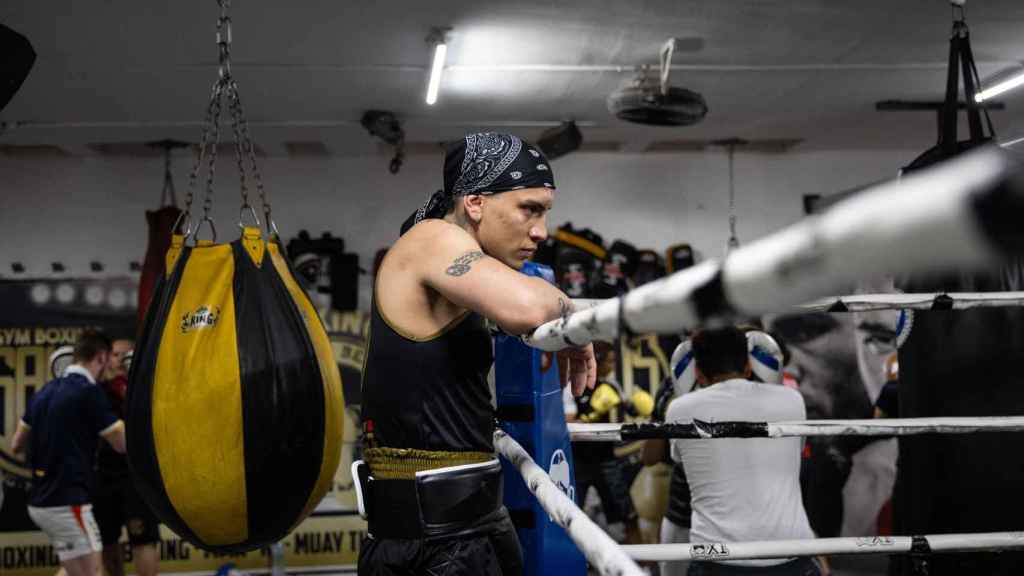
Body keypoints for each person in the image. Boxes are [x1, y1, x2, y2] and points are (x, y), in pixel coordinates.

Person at [358, 132, 596, 576]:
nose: (542, 231)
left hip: (460, 530)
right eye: (530, 209)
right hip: (435, 544)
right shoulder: (432, 238)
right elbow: (525, 307)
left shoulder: (451, 259)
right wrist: (576, 323)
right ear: (475, 203)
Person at [666, 326, 818, 576]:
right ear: (748, 366)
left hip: (717, 557)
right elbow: (796, 451)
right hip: (790, 554)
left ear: (698, 373)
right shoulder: (792, 400)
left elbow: (679, 461)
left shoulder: (680, 409)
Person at [11, 330, 127, 576]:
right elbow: (121, 443)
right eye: (109, 359)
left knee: (74, 570)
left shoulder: (44, 391)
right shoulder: (89, 392)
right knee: (94, 572)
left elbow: (16, 444)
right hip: (68, 503)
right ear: (101, 357)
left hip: (41, 502)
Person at [570, 342, 652, 544]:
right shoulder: (572, 384)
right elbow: (566, 422)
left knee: (628, 514)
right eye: (610, 361)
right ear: (596, 360)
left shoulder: (610, 386)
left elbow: (631, 409)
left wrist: (639, 403)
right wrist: (591, 415)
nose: (613, 366)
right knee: (569, 515)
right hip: (577, 460)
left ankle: (643, 567)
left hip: (605, 459)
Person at [92, 338, 161, 576]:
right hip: (103, 477)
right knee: (107, 542)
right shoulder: (94, 390)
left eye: (127, 354)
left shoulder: (146, 388)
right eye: (115, 354)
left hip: (136, 478)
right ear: (105, 357)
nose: (120, 359)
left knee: (144, 541)